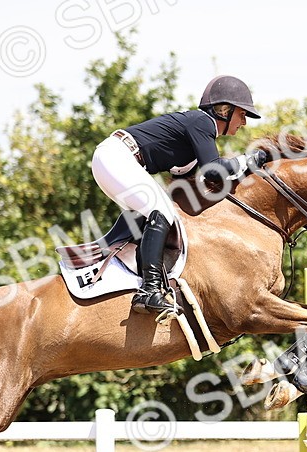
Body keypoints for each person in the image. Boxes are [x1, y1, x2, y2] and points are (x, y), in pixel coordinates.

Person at [90, 75, 270, 315]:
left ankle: (126, 269)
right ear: (224, 110)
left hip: (113, 160)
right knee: (160, 210)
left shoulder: (195, 140)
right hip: (117, 157)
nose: (244, 122)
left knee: (162, 209)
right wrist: (245, 161)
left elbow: (186, 185)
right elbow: (213, 171)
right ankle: (149, 291)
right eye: (242, 114)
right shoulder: (202, 122)